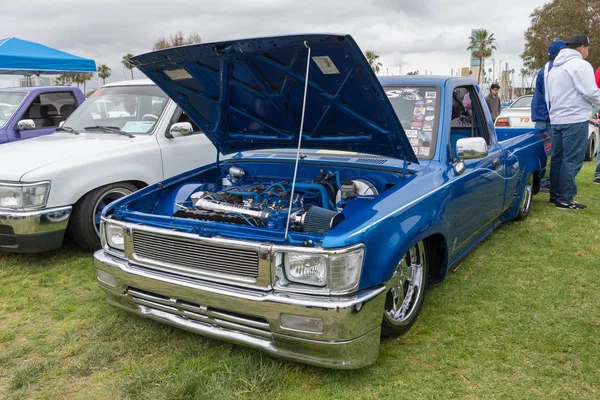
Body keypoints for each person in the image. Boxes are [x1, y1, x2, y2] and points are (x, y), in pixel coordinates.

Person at [547, 34, 600, 209]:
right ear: (581, 48)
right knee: (572, 159)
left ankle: (555, 194)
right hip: (575, 118)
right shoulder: (581, 65)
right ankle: (565, 198)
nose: (588, 51)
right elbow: (591, 92)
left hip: (556, 118)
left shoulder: (554, 67)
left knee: (558, 158)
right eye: (587, 47)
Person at [531, 40, 567, 132]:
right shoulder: (549, 69)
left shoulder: (554, 67)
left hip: (549, 118)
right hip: (546, 120)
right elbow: (548, 95)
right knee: (550, 146)